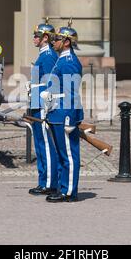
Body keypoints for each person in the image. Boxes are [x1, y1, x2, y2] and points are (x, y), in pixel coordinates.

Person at [44, 20, 84, 203]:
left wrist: (71, 118)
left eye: (57, 39)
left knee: (68, 154)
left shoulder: (69, 62)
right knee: (61, 154)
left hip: (64, 113)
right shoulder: (61, 59)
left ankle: (69, 191)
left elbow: (71, 92)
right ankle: (62, 187)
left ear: (67, 42)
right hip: (56, 111)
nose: (53, 42)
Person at [27, 18, 59, 196]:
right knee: (40, 145)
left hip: (42, 105)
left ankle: (49, 183)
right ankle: (43, 180)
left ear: (45, 37)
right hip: (36, 103)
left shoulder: (48, 56)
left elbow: (50, 84)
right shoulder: (43, 55)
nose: (34, 38)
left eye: (36, 35)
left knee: (46, 145)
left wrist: (46, 106)